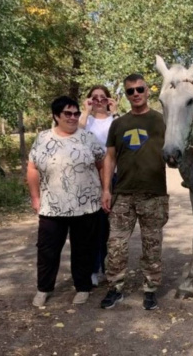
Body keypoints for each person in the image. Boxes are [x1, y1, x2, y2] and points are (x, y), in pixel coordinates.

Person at [27, 96, 105, 307]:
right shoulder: (43, 138)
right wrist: (35, 197)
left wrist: (106, 190)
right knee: (47, 250)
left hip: (86, 206)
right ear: (56, 116)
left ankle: (82, 287)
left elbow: (102, 164)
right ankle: (44, 289)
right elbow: (32, 167)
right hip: (52, 207)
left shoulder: (87, 138)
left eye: (76, 113)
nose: (73, 117)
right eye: (67, 114)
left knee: (83, 249)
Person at [100, 74, 169, 311]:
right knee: (116, 244)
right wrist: (106, 189)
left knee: (152, 245)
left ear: (147, 91)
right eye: (130, 91)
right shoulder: (118, 124)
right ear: (126, 95)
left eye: (140, 89)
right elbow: (110, 158)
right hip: (123, 194)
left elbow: (175, 150)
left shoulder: (161, 120)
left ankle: (150, 289)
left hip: (153, 194)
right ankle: (115, 288)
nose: (136, 93)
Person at [79, 85, 118, 287]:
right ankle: (94, 268)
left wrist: (116, 111)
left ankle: (109, 268)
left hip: (114, 177)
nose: (99, 101)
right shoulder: (86, 121)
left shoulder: (116, 121)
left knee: (111, 226)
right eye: (94, 98)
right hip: (92, 177)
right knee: (95, 226)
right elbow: (77, 135)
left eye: (103, 98)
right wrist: (85, 110)